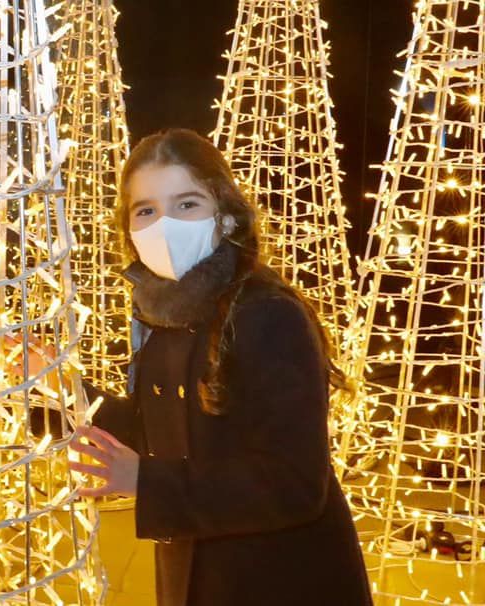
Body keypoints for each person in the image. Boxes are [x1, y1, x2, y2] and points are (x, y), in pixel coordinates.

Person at [67, 129, 373, 605]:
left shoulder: (267, 313)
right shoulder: (167, 315)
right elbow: (158, 431)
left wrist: (147, 481)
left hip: (276, 580)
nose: (164, 225)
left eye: (187, 204)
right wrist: (60, 390)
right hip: (195, 575)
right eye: (145, 210)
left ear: (226, 216)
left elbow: (293, 484)